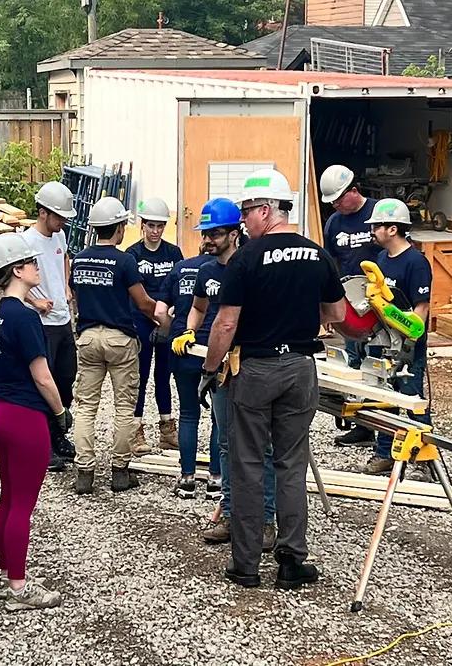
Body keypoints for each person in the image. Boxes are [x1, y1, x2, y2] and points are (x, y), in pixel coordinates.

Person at [201, 169, 348, 590]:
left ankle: (245, 565)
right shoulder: (316, 254)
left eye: (247, 211)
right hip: (300, 368)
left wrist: (210, 371)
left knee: (247, 465)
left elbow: (226, 325)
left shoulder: (246, 259)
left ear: (266, 210)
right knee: (290, 465)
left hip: (256, 368)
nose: (243, 220)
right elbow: (337, 315)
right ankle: (291, 560)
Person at [173, 199, 277, 547]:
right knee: (226, 442)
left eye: (216, 233)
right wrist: (189, 331)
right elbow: (199, 308)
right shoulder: (206, 272)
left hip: (254, 364)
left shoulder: (253, 265)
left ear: (235, 233)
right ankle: (231, 514)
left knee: (262, 446)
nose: (209, 240)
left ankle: (265, 521)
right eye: (206, 233)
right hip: (221, 367)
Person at [0, 232, 71, 611]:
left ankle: (8, 573)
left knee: (8, 497)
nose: (37, 267)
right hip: (23, 415)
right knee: (23, 504)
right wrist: (60, 412)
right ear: (17, 270)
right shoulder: (24, 315)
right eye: (32, 263)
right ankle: (19, 588)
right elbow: (43, 375)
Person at [68, 196, 157, 495]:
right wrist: (164, 315)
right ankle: (120, 472)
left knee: (86, 407)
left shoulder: (79, 258)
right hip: (120, 339)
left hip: (89, 337)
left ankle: (85, 473)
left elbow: (75, 295)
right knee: (123, 407)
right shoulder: (124, 261)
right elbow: (142, 302)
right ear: (118, 228)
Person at [360, 198, 433, 479]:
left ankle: (424, 458)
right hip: (383, 339)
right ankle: (384, 453)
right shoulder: (379, 260)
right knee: (383, 396)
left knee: (411, 396)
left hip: (406, 343)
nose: (373, 231)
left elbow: (421, 309)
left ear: (393, 229)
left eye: (377, 226)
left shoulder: (416, 262)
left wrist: (409, 344)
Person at [319, 165, 382, 446]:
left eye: (338, 199)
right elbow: (331, 265)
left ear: (353, 191)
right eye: (331, 202)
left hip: (381, 300)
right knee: (355, 361)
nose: (335, 205)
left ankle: (390, 428)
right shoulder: (334, 223)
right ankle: (364, 426)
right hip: (351, 298)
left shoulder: (379, 214)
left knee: (382, 363)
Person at [161, 203, 219, 500]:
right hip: (216, 349)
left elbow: (161, 310)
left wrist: (174, 329)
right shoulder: (226, 271)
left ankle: (186, 477)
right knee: (219, 417)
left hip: (184, 346)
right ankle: (216, 479)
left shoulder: (181, 268)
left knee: (187, 413)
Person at [23, 181, 79, 473]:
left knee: (65, 379)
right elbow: (13, 280)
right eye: (59, 217)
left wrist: (67, 286)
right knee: (42, 384)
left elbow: (65, 258)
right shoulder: (26, 242)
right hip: (42, 323)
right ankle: (42, 443)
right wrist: (35, 301)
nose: (63, 222)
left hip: (62, 320)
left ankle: (58, 435)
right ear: (43, 213)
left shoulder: (60, 237)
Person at [126, 197, 183, 454]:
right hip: (140, 321)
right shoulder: (132, 255)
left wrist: (168, 315)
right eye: (151, 225)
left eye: (160, 226)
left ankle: (167, 428)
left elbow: (179, 287)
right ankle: (136, 430)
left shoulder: (174, 253)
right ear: (142, 225)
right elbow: (132, 292)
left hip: (167, 321)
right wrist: (152, 313)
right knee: (140, 375)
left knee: (164, 374)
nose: (155, 231)